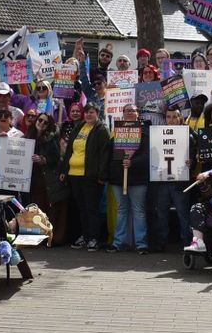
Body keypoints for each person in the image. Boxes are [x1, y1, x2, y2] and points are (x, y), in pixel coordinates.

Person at [59, 102, 110, 251]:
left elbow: (104, 154)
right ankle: (85, 236)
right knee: (82, 208)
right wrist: (64, 170)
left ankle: (94, 238)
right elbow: (69, 150)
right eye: (87, 112)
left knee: (92, 208)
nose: (88, 115)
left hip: (91, 176)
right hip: (74, 175)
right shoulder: (79, 127)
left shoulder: (101, 129)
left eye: (92, 112)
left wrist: (102, 175)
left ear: (98, 114)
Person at [106, 104, 151, 253]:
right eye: (128, 111)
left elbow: (147, 157)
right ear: (123, 114)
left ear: (138, 114)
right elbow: (113, 158)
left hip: (138, 180)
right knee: (122, 210)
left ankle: (141, 244)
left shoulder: (144, 134)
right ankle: (118, 242)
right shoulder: (117, 134)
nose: (130, 113)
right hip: (119, 179)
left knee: (138, 210)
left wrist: (133, 162)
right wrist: (120, 165)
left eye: (133, 111)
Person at [152, 107, 195, 251]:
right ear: (165, 119)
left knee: (183, 213)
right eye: (168, 117)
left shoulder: (188, 134)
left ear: (180, 118)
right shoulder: (157, 135)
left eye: (174, 117)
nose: (171, 120)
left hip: (180, 181)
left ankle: (186, 243)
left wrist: (191, 161)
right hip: (162, 181)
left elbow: (195, 155)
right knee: (161, 213)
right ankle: (161, 242)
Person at [25, 112, 69, 245]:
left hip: (48, 178)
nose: (42, 123)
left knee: (51, 209)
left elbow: (56, 157)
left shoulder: (51, 138)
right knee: (37, 208)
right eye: (40, 120)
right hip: (33, 178)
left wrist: (43, 159)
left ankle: (51, 238)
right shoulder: (28, 136)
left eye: (46, 122)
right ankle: (38, 237)